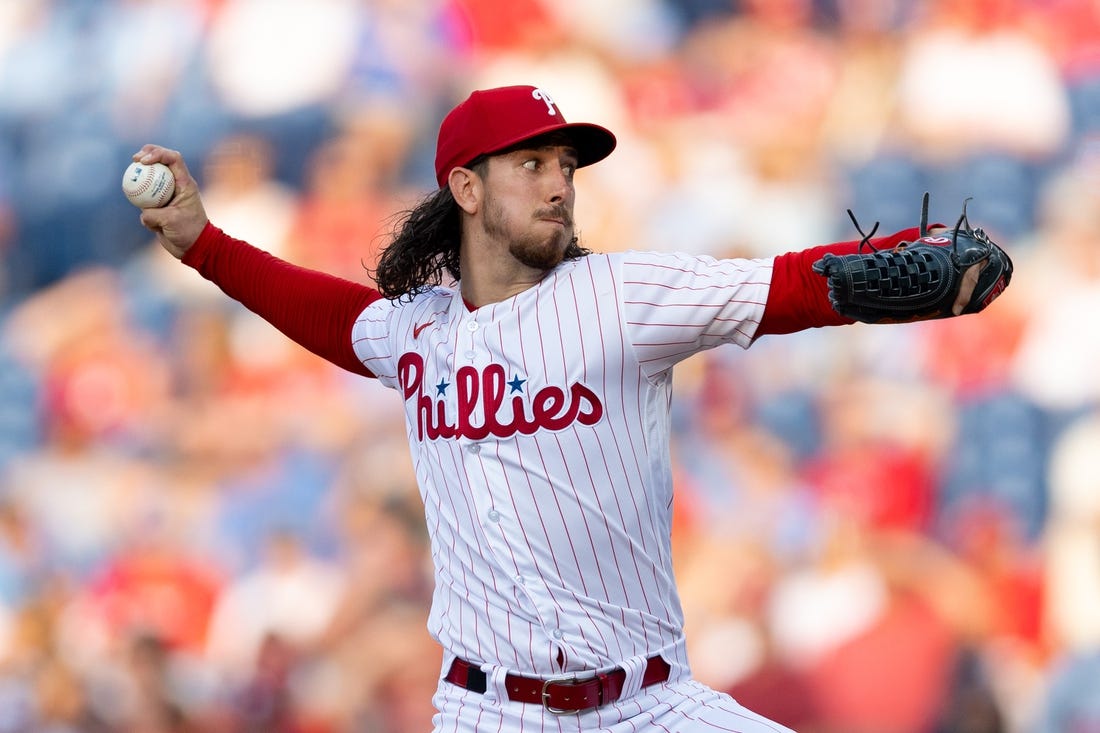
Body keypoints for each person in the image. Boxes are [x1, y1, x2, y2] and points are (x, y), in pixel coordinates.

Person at [132, 85, 1002, 731]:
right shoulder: (418, 334)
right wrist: (204, 245)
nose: (559, 184)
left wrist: (900, 260)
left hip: (651, 704)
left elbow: (783, 287)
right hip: (488, 712)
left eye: (566, 166)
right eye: (532, 163)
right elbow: (321, 311)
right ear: (467, 190)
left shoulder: (622, 296)